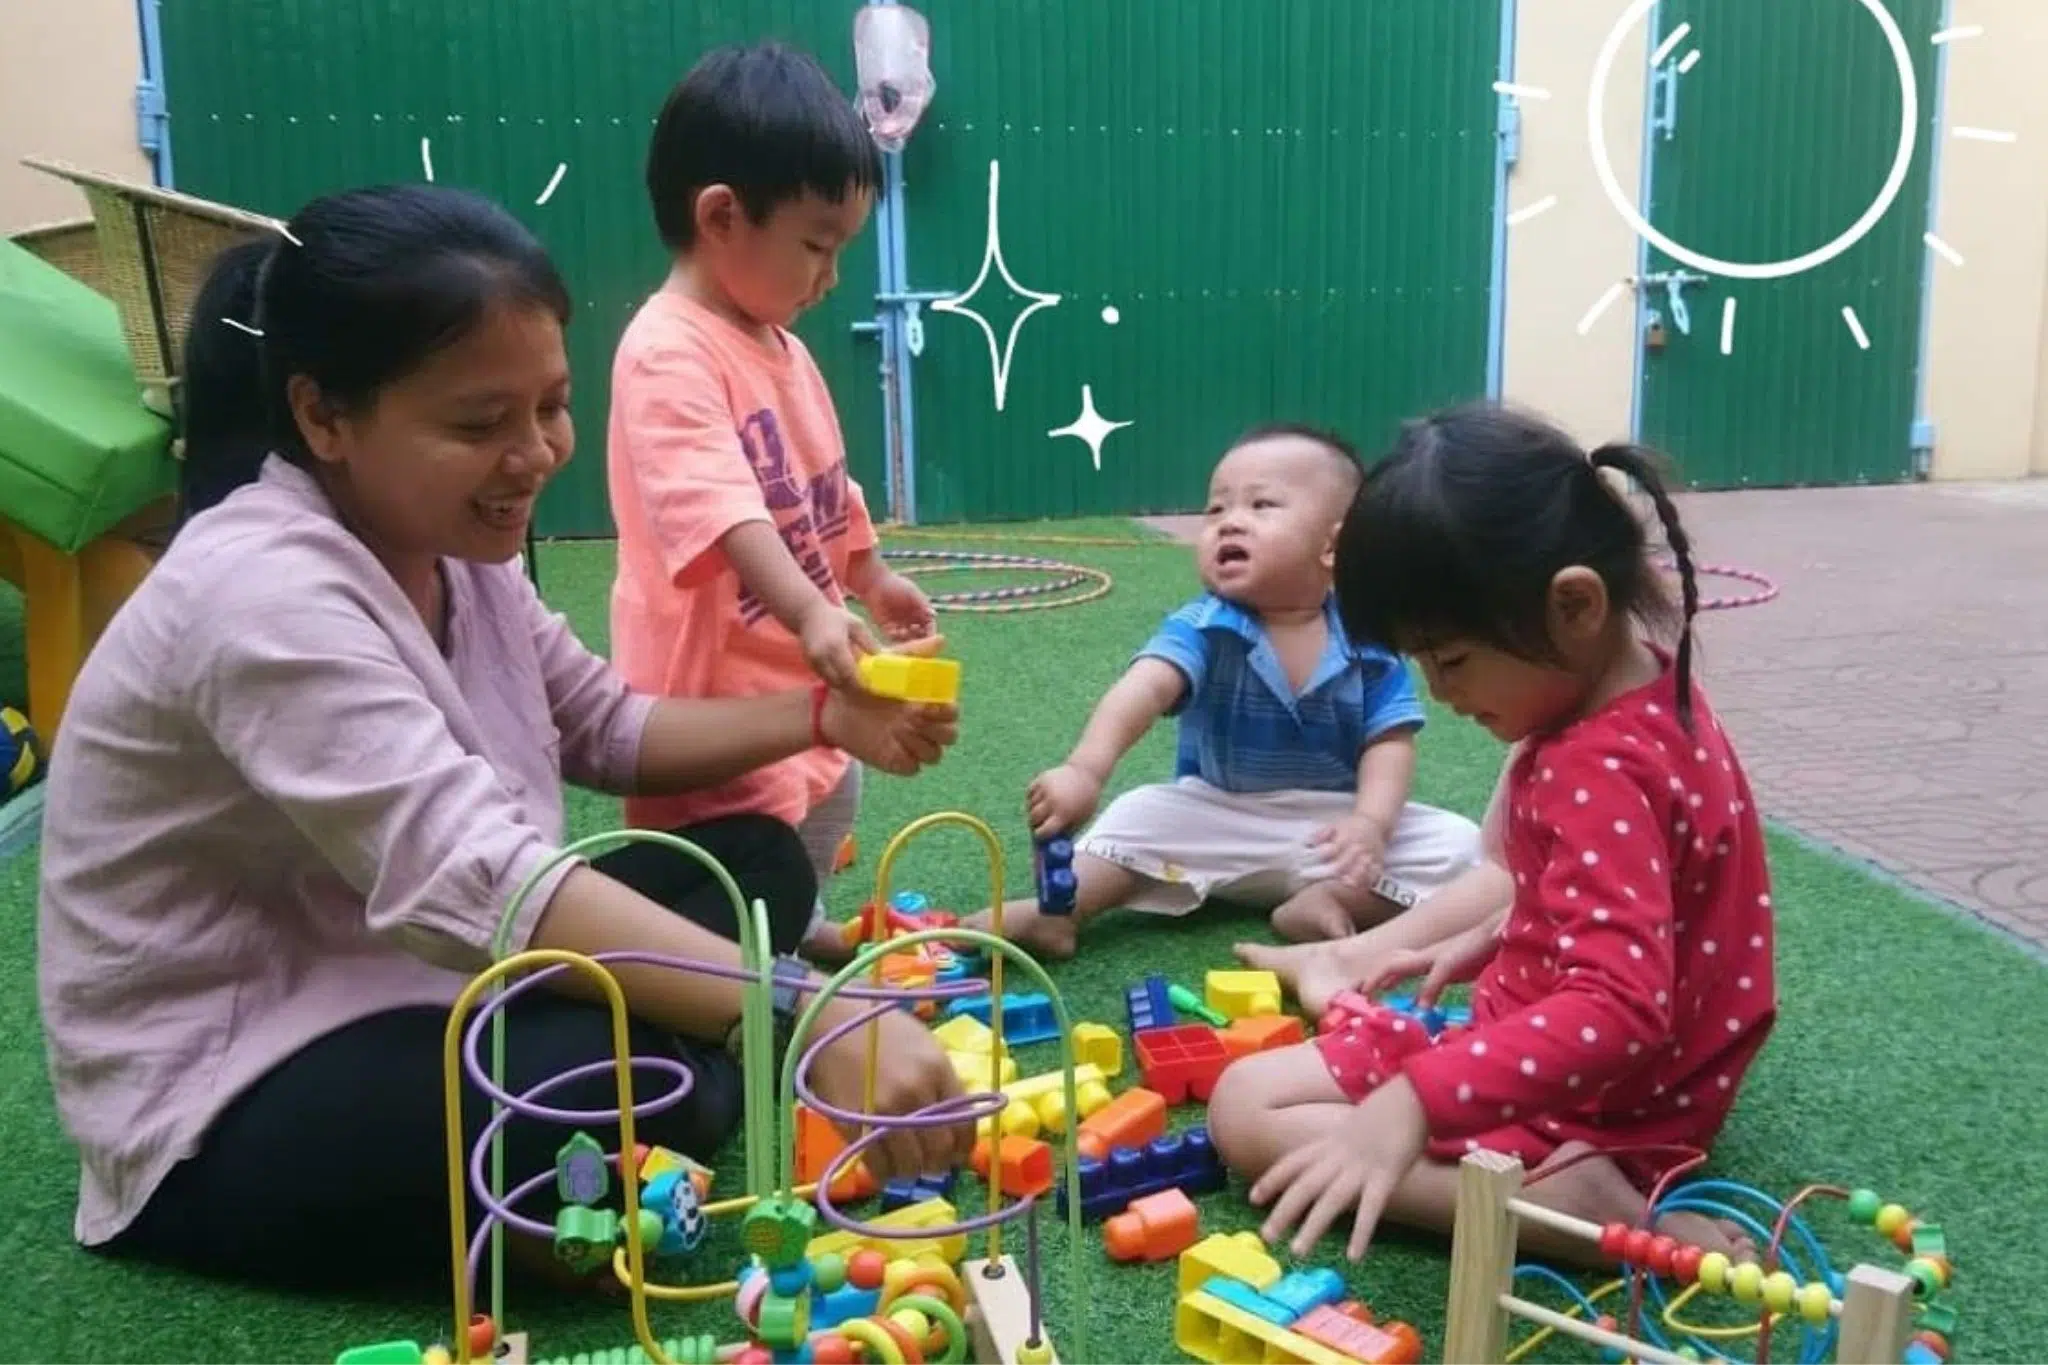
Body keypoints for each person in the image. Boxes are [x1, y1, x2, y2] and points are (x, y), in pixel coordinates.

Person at [35, 182, 974, 1295]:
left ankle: (680, 1078)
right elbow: (474, 877)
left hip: (431, 983)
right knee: (602, 1094)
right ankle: (675, 1090)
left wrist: (825, 715)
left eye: (551, 408)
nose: (534, 454)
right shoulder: (260, 591)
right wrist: (802, 1011)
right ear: (324, 416)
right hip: (235, 1075)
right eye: (479, 424)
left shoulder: (453, 547)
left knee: (753, 863)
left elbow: (608, 727)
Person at [1209, 402, 1777, 1268]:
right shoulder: (1654, 691)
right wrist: (1501, 935)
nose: (1439, 692)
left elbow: (1619, 1007)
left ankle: (1569, 1213)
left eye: (1453, 659)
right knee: (1259, 1086)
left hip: (1604, 1108)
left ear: (1575, 605)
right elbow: (1656, 901)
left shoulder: (1595, 767)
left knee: (1245, 1111)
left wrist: (1414, 1106)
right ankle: (1546, 1174)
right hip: (1627, 1076)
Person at [607, 42, 936, 964]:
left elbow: (822, 483)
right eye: (817, 245)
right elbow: (723, 510)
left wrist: (867, 573)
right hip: (714, 687)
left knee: (832, 794)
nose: (830, 277)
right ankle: (755, 964)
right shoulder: (668, 350)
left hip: (793, 661)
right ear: (721, 216)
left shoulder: (778, 344)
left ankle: (797, 922)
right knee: (742, 845)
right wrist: (807, 607)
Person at [964, 424, 1481, 960]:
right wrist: (1085, 770)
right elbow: (1141, 690)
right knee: (1140, 813)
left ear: (1334, 545)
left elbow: (1390, 743)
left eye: (1261, 505)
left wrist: (1370, 825)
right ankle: (1062, 913)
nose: (1230, 521)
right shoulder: (1205, 627)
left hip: (1334, 827)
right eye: (1215, 511)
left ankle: (1333, 901)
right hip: (1217, 814)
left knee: (1459, 845)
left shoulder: (1368, 639)